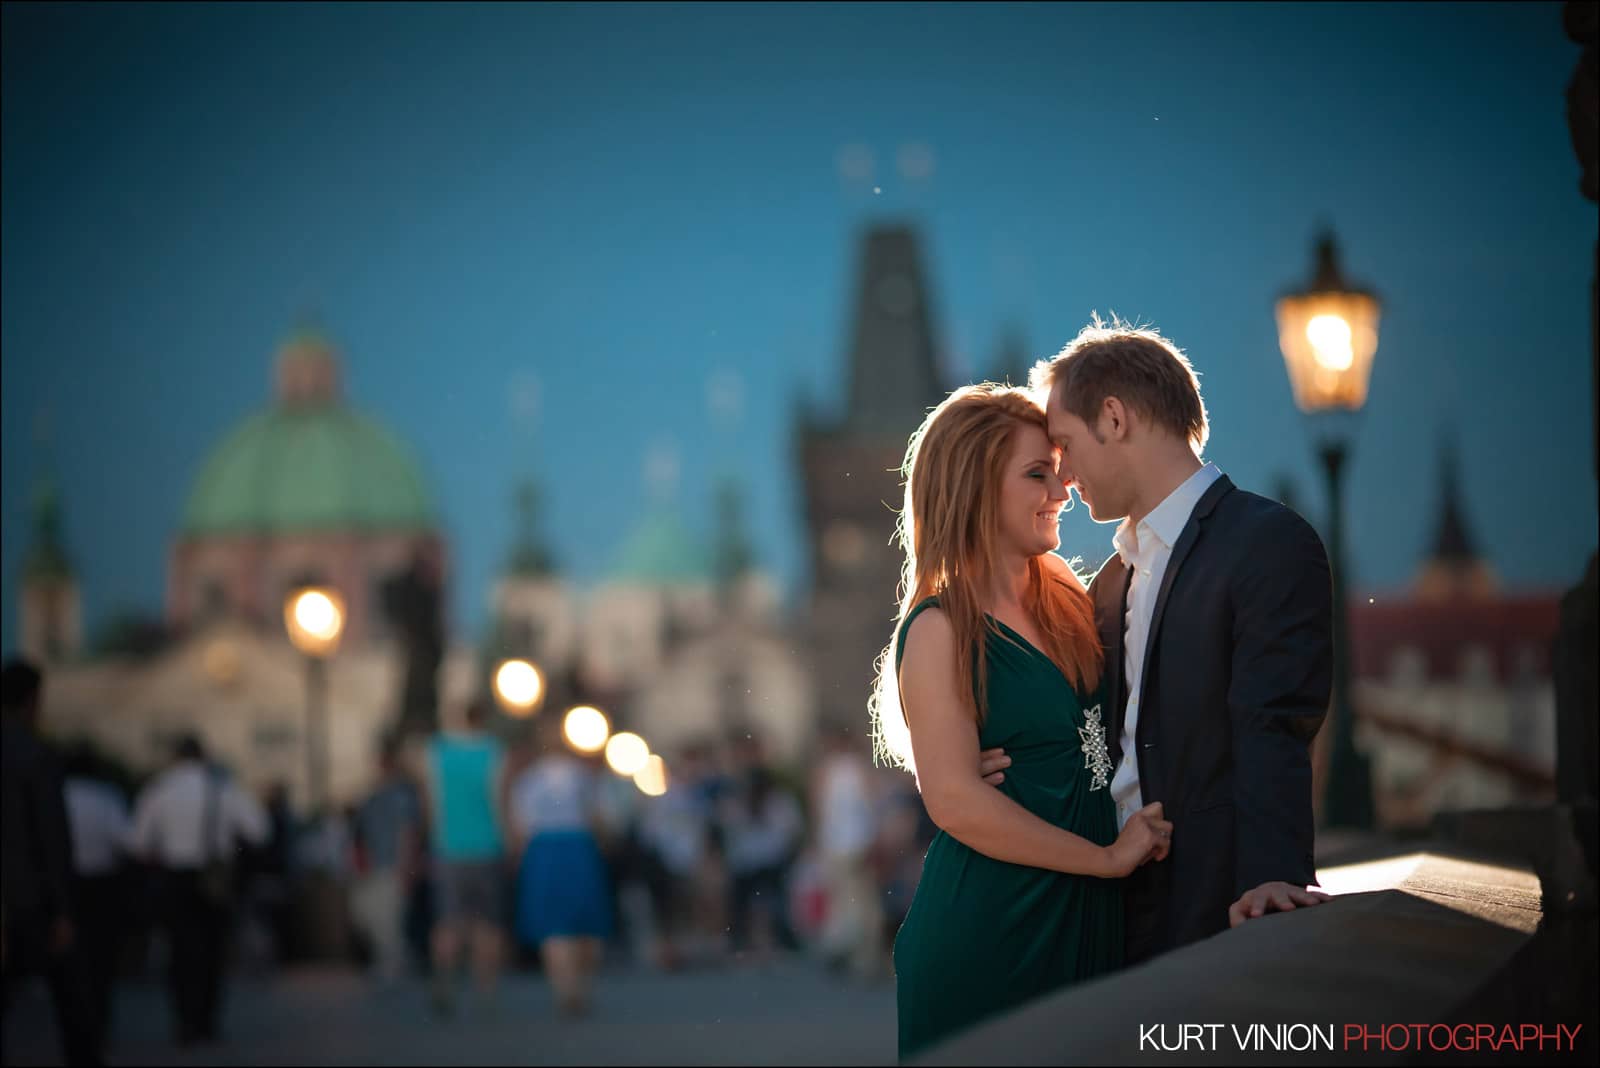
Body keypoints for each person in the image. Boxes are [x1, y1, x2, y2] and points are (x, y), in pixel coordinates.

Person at [982, 316, 1333, 965]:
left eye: (1064, 444)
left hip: (1217, 898)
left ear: (1113, 418)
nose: (1062, 478)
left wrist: (1273, 874)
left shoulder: (1267, 542)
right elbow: (1092, 736)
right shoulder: (1111, 581)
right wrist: (995, 766)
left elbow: (1273, 722)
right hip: (1109, 904)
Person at [868, 384, 1172, 1060]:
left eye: (1059, 469)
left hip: (1085, 917)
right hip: (991, 931)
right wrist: (1105, 858)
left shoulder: (1067, 594)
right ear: (975, 485)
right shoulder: (940, 627)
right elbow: (951, 800)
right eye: (1037, 473)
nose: (1062, 490)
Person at [129, 733, 268, 1046]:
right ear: (203, 756)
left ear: (176, 757)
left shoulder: (159, 789)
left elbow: (139, 842)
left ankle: (184, 1021)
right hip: (213, 875)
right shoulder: (223, 788)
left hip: (174, 876)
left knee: (179, 950)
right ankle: (207, 1021)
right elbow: (258, 830)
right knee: (212, 949)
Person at [1, 658, 101, 1067]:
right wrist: (63, 909)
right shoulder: (35, 753)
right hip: (31, 898)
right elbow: (51, 836)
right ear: (33, 700)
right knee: (71, 994)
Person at [507, 715, 613, 1017]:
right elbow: (599, 817)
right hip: (578, 846)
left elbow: (520, 825)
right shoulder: (582, 777)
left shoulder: (529, 780)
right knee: (585, 924)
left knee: (553, 925)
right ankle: (580, 986)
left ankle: (563, 989)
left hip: (543, 850)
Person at [421, 697, 509, 1015]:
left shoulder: (437, 752)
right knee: (488, 923)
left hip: (447, 848)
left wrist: (431, 842)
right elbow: (500, 801)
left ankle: (444, 981)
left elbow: (430, 803)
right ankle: (485, 989)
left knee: (448, 921)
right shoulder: (494, 751)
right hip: (487, 845)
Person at [63, 744, 133, 1054]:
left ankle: (73, 1027)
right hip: (102, 886)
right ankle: (98, 1024)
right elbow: (126, 840)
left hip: (65, 885)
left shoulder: (57, 792)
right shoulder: (106, 796)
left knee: (69, 959)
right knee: (100, 959)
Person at [350, 735, 424, 984]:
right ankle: (395, 959)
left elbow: (408, 833)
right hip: (374, 864)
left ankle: (393, 963)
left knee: (388, 918)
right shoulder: (374, 793)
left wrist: (406, 868)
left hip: (392, 865)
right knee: (369, 914)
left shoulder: (401, 795)